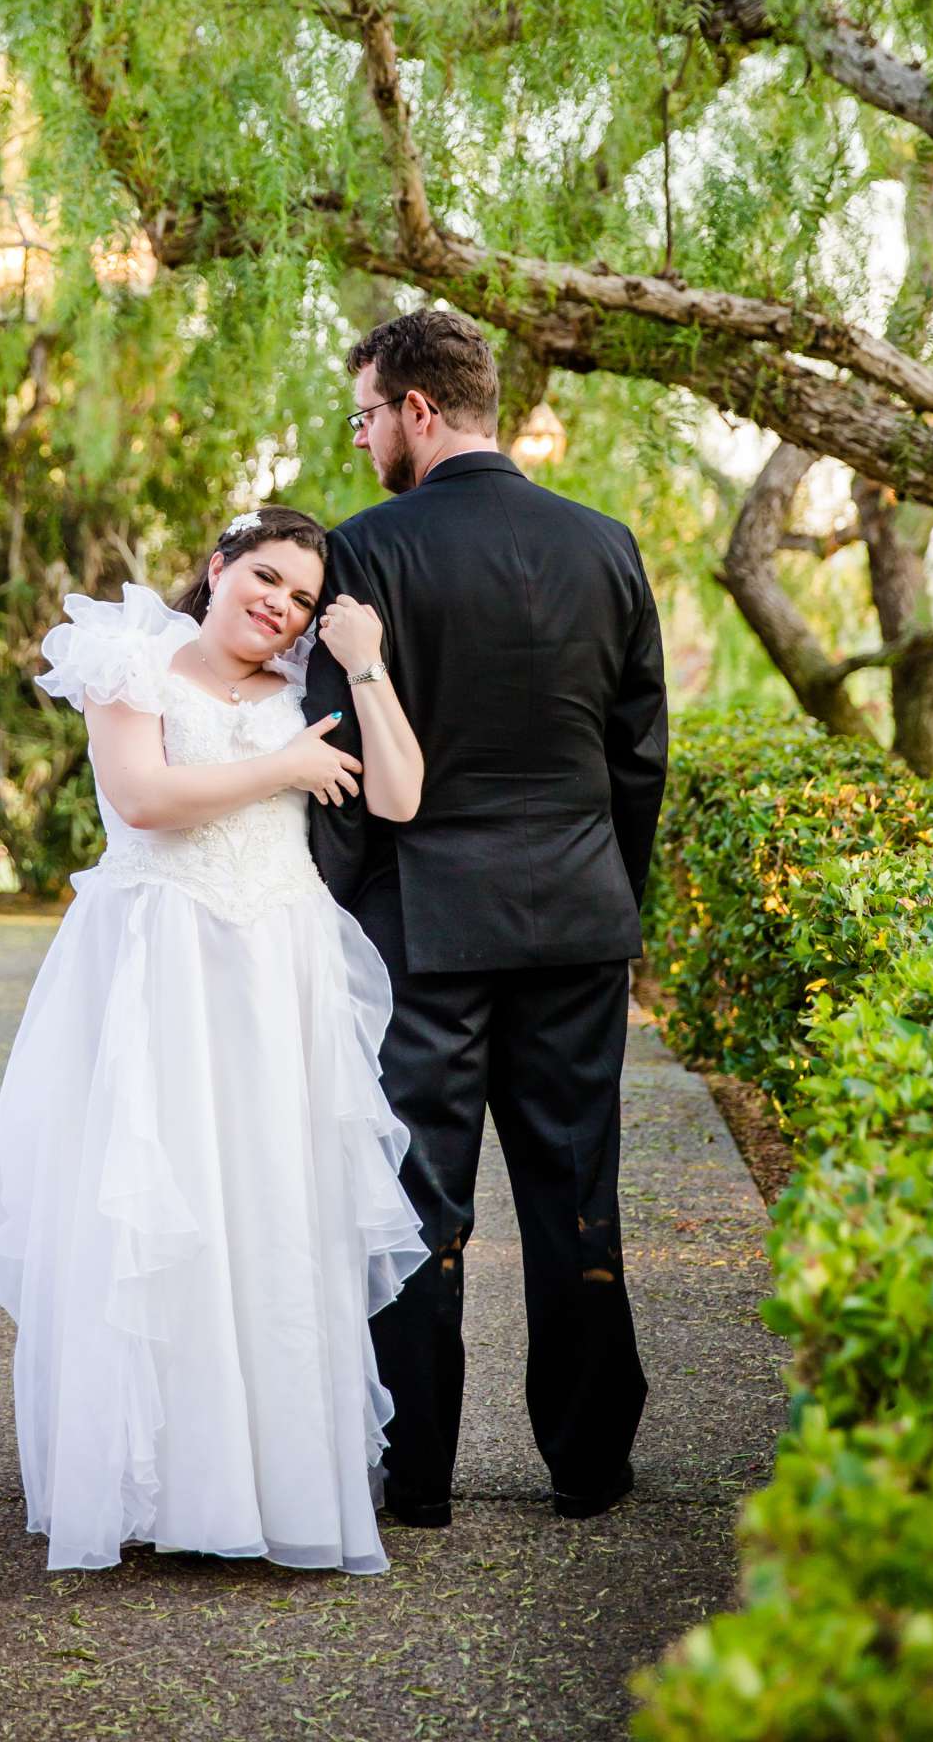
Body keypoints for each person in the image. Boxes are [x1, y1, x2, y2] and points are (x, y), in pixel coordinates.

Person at [0, 505, 429, 1573]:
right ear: (216, 567)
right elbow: (144, 796)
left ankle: (268, 1484)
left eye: (302, 598)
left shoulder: (308, 687)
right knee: (157, 1207)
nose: (279, 606)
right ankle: (154, 1482)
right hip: (160, 959)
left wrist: (363, 666)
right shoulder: (129, 658)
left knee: (267, 1205)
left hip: (278, 973)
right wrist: (283, 770)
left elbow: (396, 793)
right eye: (264, 577)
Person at [303, 308, 668, 1528]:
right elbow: (637, 758)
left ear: (416, 409)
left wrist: (338, 915)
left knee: (420, 1203)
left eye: (365, 416)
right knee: (576, 1196)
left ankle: (417, 1482)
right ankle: (589, 1466)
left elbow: (344, 765)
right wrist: (618, 904)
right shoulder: (606, 546)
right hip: (577, 919)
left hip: (426, 929)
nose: (360, 442)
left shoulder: (368, 553)